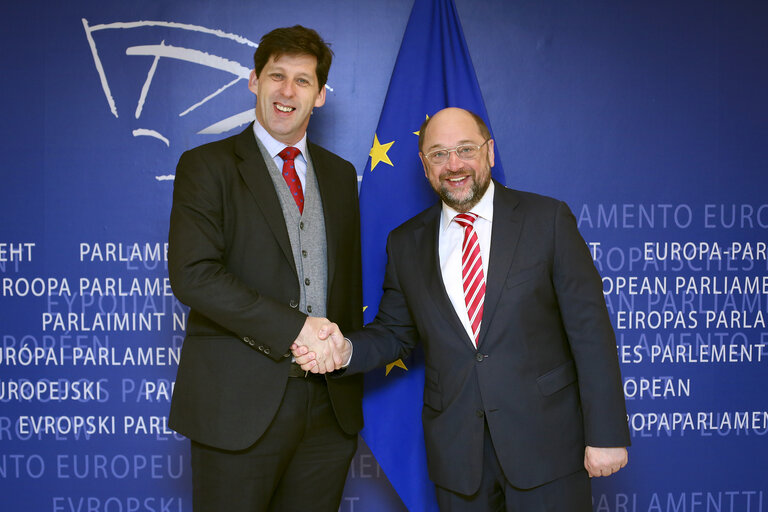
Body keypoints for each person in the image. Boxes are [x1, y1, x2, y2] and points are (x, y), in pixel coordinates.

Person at [296, 107, 630, 510]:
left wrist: (607, 433)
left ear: (489, 152)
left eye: (465, 149)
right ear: (423, 165)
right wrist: (344, 349)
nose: (453, 165)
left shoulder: (547, 220)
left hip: (548, 448)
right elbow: (395, 333)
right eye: (438, 154)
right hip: (458, 457)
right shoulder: (405, 243)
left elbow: (590, 331)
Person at [167, 25, 363, 511]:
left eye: (302, 81)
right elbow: (194, 275)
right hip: (237, 407)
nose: (287, 91)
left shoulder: (339, 175)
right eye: (277, 75)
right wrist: (297, 328)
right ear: (253, 80)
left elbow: (345, 285)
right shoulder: (206, 166)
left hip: (328, 412)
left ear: (319, 96)